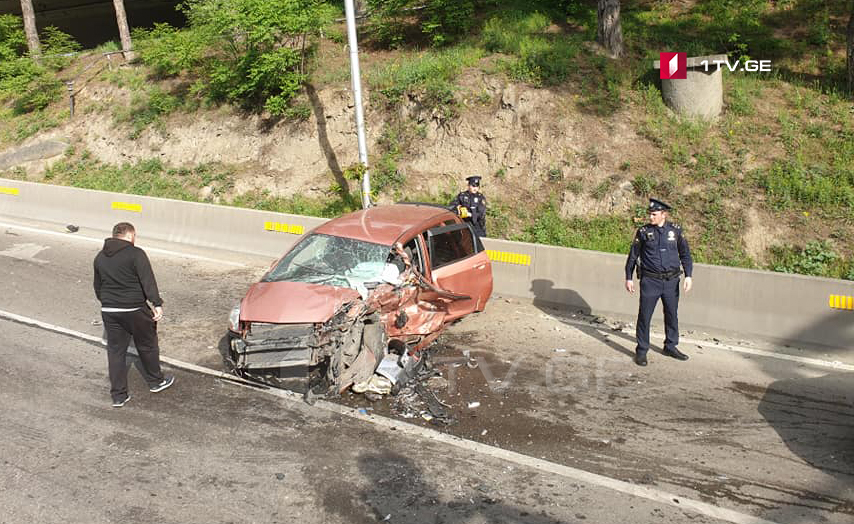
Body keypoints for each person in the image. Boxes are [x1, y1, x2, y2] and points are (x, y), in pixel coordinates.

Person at [94, 222, 174, 407]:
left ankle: (118, 396)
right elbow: (147, 280)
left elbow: (98, 286)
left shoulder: (100, 257)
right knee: (147, 345)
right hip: (134, 308)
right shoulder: (136, 253)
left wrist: (109, 302)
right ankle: (156, 381)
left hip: (109, 310)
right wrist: (157, 304)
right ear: (130, 235)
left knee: (115, 352)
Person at [624, 199, 694, 367]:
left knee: (672, 315)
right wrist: (628, 277)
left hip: (671, 281)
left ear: (664, 214)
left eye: (654, 214)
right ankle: (641, 351)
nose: (651, 217)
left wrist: (689, 276)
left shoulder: (675, 231)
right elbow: (633, 256)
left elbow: (685, 255)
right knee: (645, 316)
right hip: (650, 281)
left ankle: (670, 346)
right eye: (650, 214)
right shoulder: (643, 232)